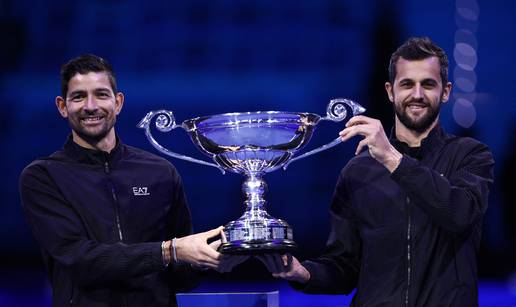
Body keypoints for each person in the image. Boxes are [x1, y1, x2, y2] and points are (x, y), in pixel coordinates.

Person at [258, 37, 494, 306]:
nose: (417, 94)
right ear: (390, 91)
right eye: (407, 84)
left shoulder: (471, 155)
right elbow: (344, 267)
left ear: (446, 91)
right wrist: (304, 273)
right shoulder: (359, 171)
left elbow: (459, 214)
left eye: (428, 84)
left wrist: (392, 158)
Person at [19, 54, 245, 307]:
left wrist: (212, 259)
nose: (91, 106)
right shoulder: (44, 176)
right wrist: (170, 250)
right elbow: (79, 260)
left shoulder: (160, 172)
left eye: (101, 94)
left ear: (118, 103)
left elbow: (181, 277)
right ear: (62, 106)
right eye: (79, 96)